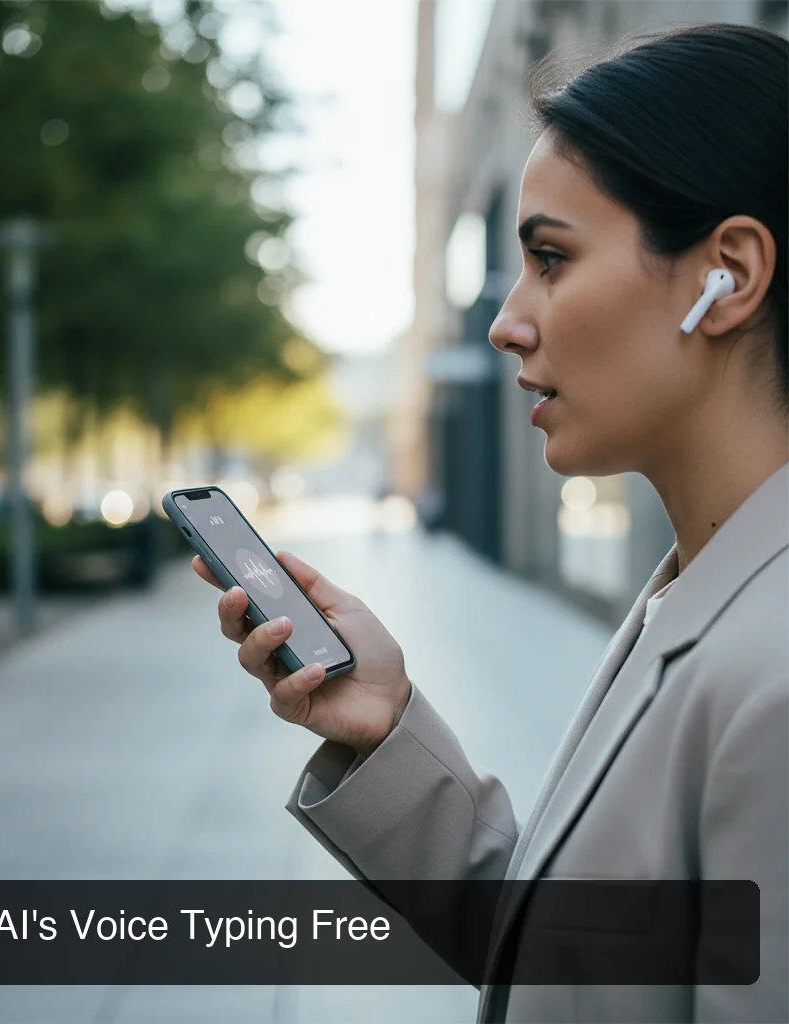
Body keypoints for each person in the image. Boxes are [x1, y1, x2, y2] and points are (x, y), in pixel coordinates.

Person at [191, 22, 787, 1023]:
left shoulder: (773, 673)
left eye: (551, 259)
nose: (509, 319)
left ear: (724, 273)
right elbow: (590, 962)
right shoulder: (701, 591)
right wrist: (383, 733)